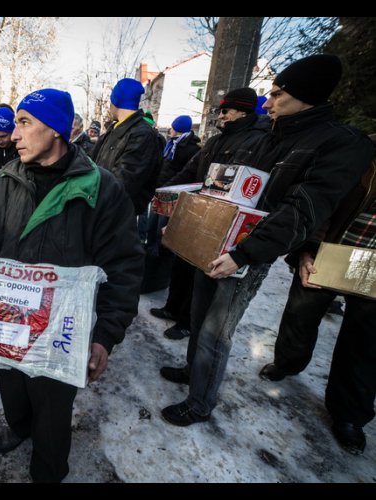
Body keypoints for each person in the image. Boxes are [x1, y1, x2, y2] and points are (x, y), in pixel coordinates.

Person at [0, 88, 144, 482]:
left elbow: (124, 267)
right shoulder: (1, 182)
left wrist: (105, 336)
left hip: (60, 333)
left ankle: (49, 469)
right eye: (16, 123)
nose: (14, 134)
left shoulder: (103, 189)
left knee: (52, 407)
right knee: (11, 386)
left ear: (57, 131)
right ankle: (18, 426)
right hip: (5, 322)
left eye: (25, 123)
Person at [158, 54, 373, 428]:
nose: (268, 103)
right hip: (218, 242)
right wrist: (185, 222)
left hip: (248, 254)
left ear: (305, 96)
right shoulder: (271, 136)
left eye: (276, 94)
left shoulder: (337, 143)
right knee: (198, 313)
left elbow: (302, 210)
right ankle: (194, 371)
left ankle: (200, 401)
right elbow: (227, 189)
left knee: (215, 330)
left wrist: (244, 254)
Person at [259, 134, 376, 455]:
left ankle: (350, 415)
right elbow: (321, 203)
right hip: (330, 254)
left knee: (365, 345)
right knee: (300, 316)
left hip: (374, 270)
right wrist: (307, 250)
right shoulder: (359, 152)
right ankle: (287, 363)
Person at [151, 88, 268, 340]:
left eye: (226, 110)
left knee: (198, 274)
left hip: (218, 219)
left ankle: (186, 322)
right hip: (196, 212)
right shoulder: (216, 140)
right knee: (181, 264)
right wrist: (164, 192)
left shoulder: (258, 140)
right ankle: (172, 307)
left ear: (242, 110)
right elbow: (191, 170)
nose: (221, 115)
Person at [90, 78, 162, 234]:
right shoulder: (114, 129)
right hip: (100, 211)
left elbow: (125, 181)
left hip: (116, 217)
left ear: (115, 100)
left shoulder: (142, 134)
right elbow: (91, 163)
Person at [145, 115, 200, 256]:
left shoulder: (190, 148)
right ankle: (150, 251)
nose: (170, 129)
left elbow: (185, 173)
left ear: (177, 128)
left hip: (172, 193)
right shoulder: (171, 144)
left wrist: (169, 186)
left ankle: (158, 255)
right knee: (152, 224)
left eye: (173, 127)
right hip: (161, 189)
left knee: (161, 227)